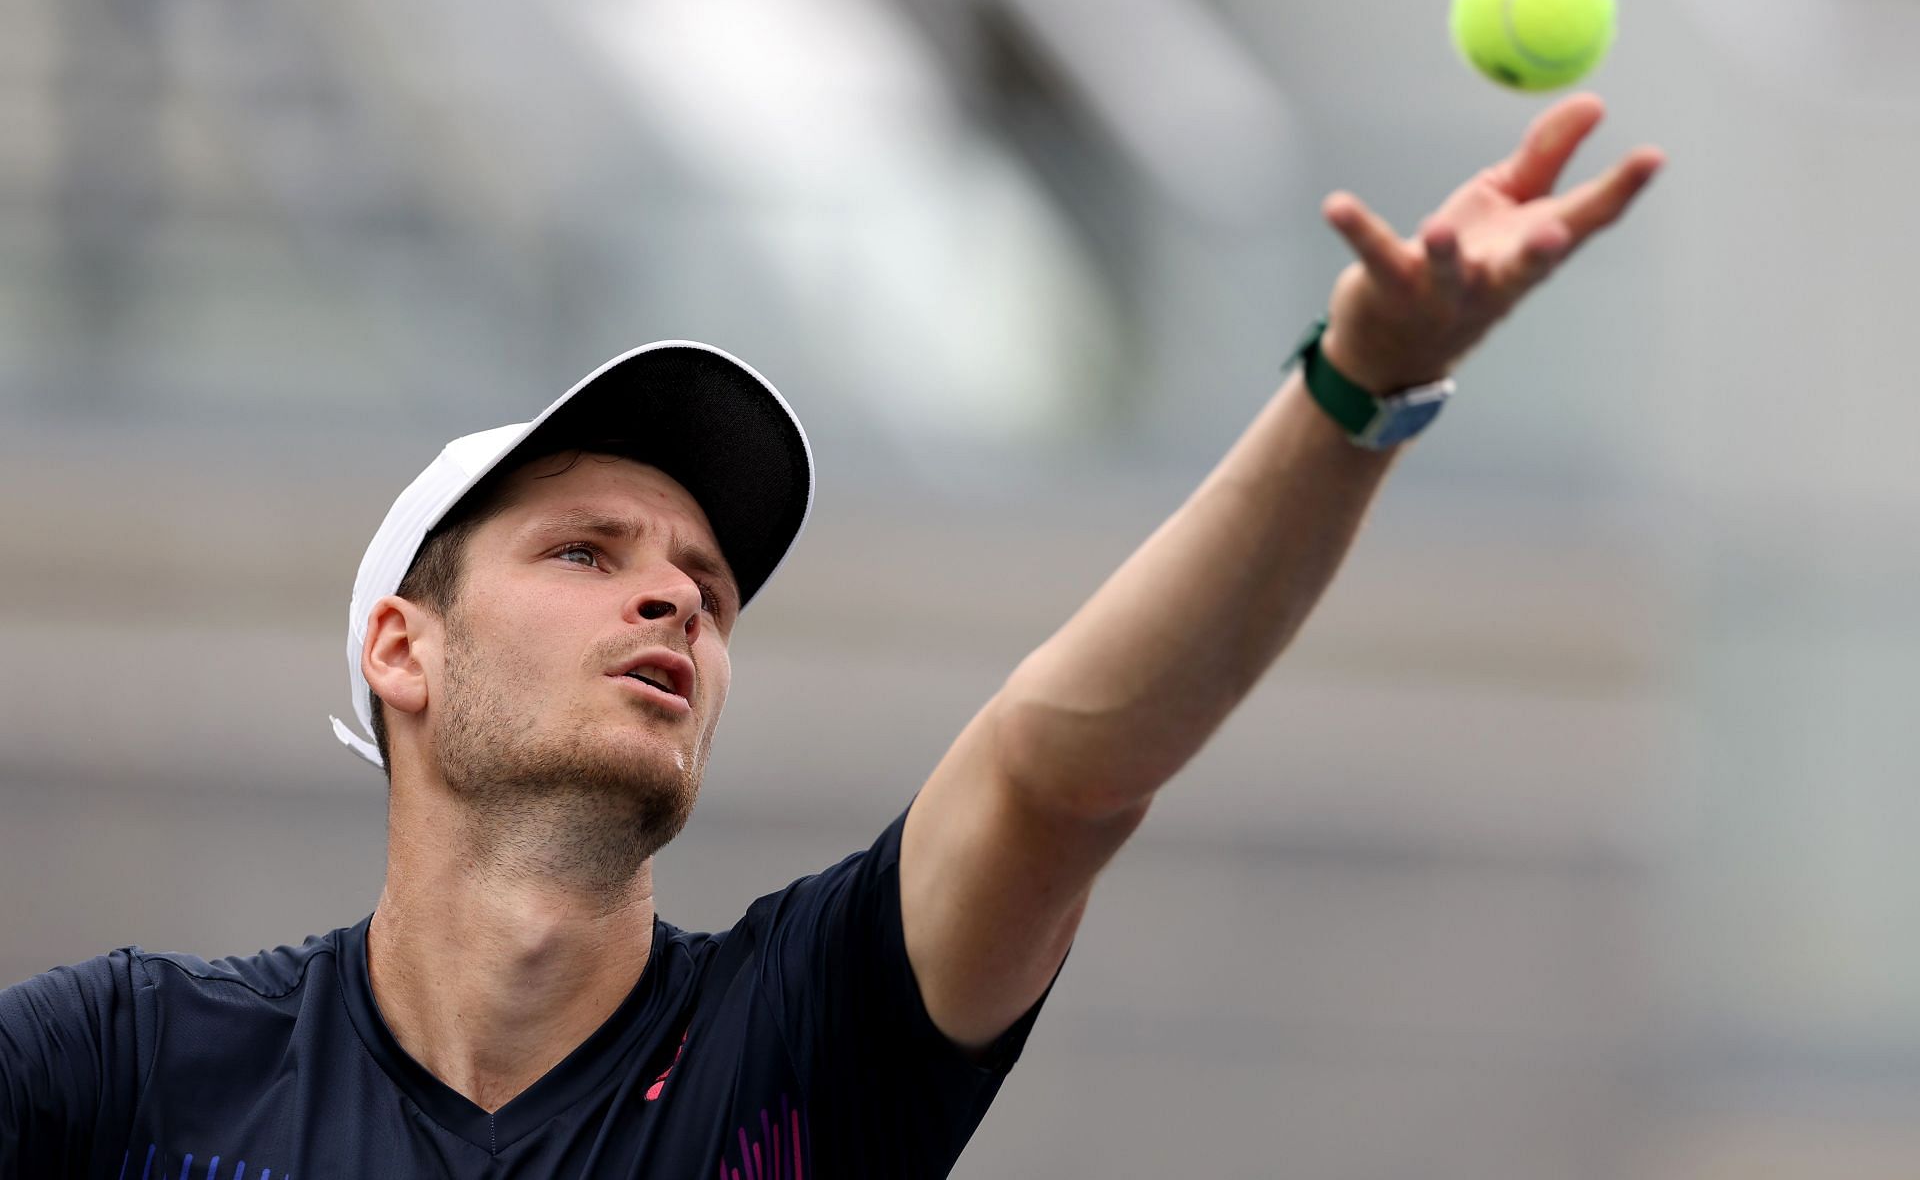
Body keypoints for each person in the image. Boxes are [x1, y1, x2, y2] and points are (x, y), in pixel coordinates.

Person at [0, 93, 1662, 1179]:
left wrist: (1352, 392)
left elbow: (1059, 771)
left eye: (708, 590)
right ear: (400, 650)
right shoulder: (130, 1070)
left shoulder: (800, 1041)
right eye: (584, 551)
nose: (672, 599)